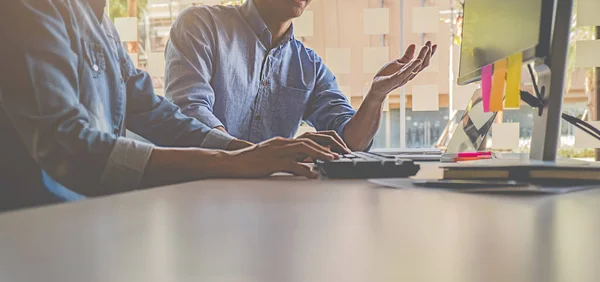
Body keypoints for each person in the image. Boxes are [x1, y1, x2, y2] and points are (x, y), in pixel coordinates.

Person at [0, 0, 345, 211]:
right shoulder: (30, 7)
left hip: (92, 224)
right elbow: (67, 145)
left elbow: (152, 110)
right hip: (34, 235)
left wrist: (246, 152)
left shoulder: (99, 19)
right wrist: (228, 161)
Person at [165, 0, 436, 152]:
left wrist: (376, 97)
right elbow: (190, 114)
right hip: (199, 195)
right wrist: (260, 156)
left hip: (273, 203)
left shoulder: (308, 65)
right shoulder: (200, 25)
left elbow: (351, 141)